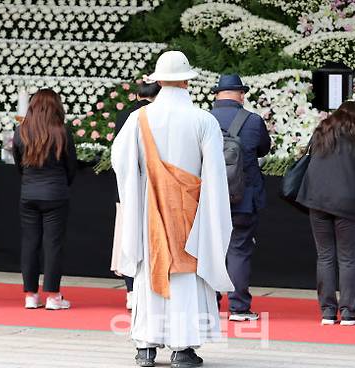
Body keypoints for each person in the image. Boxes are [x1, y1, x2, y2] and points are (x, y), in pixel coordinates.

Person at [111, 51, 234, 368]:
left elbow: (121, 162)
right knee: (187, 276)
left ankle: (146, 346)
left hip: (150, 207)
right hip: (191, 210)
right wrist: (214, 216)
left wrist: (142, 188)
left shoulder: (139, 119)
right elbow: (216, 176)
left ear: (158, 79)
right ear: (186, 80)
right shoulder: (203, 119)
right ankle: (182, 348)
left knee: (149, 272)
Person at [296, 101, 355, 326]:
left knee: (324, 256)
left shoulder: (322, 130)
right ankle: (349, 313)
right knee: (346, 257)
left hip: (317, 199)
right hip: (348, 201)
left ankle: (328, 312)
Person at [209, 74, 271, 322]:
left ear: (216, 95)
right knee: (239, 250)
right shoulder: (253, 121)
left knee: (211, 250)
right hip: (243, 198)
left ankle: (209, 302)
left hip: (210, 198)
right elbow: (264, 149)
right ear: (241, 95)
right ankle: (238, 308)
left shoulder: (204, 119)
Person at [13, 89, 77, 310]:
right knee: (53, 245)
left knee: (29, 244)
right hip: (55, 194)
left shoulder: (20, 131)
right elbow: (71, 167)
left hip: (29, 193)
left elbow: (19, 163)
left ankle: (30, 294)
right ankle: (53, 296)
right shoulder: (63, 132)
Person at [111, 78, 162, 310]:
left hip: (127, 186)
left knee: (128, 237)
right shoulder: (155, 115)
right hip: (155, 184)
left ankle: (131, 290)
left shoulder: (125, 116)